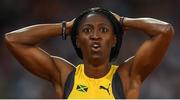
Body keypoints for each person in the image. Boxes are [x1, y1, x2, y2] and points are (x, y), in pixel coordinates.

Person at [4, 7, 174, 99]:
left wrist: (122, 21)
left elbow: (164, 31)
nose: (95, 36)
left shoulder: (126, 77)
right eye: (87, 30)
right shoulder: (65, 76)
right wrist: (67, 26)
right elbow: (13, 40)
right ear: (77, 40)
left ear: (114, 39)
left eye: (104, 30)